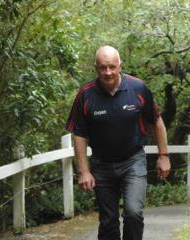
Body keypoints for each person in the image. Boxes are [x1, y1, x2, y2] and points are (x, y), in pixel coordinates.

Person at [66, 46, 171, 240]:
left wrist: (163, 156)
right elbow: (79, 134)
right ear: (96, 67)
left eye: (112, 67)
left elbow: (156, 121)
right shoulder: (86, 95)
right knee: (108, 221)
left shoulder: (138, 88)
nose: (108, 72)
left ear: (120, 66)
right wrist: (84, 171)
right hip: (101, 164)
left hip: (133, 161)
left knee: (133, 213)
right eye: (103, 67)